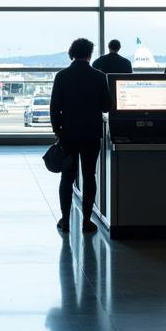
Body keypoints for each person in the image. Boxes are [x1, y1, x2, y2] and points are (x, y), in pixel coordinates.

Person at [50, 37, 112, 234]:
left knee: (67, 176)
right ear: (90, 54)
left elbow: (54, 107)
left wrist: (57, 130)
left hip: (68, 133)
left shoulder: (61, 76)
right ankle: (86, 220)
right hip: (91, 133)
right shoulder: (99, 76)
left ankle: (66, 220)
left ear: (72, 52)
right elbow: (106, 106)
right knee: (89, 175)